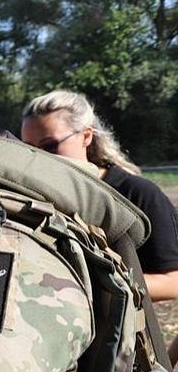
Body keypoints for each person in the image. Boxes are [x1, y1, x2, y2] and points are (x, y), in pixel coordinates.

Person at [21, 89, 178, 302]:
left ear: (86, 136)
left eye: (50, 146)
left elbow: (172, 282)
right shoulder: (29, 193)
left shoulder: (137, 193)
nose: (40, 157)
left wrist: (93, 285)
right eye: (29, 149)